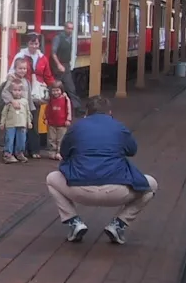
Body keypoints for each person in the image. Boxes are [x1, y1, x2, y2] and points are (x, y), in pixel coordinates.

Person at [44, 95, 158, 245]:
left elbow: (65, 153)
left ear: (86, 113)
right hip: (117, 190)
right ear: (109, 112)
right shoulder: (119, 127)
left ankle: (73, 221)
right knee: (151, 184)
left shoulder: (76, 127)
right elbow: (132, 150)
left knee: (51, 179)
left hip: (80, 189)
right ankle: (119, 223)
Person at [50, 22, 82, 116]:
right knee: (55, 87)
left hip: (66, 65)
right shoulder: (58, 38)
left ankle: (77, 108)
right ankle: (52, 107)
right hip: (58, 65)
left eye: (72, 29)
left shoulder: (71, 38)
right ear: (64, 28)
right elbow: (53, 53)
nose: (70, 30)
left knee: (71, 87)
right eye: (68, 28)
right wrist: (58, 64)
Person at [0, 80, 32, 164]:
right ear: (11, 91)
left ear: (22, 91)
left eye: (19, 90)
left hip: (22, 124)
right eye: (15, 90)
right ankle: (8, 154)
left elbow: (28, 112)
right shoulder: (9, 102)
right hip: (11, 124)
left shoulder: (25, 102)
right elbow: (4, 113)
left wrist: (29, 122)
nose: (17, 92)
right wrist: (2, 123)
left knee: (22, 139)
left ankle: (19, 153)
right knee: (9, 139)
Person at [44, 81, 73, 160]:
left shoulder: (65, 99)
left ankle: (60, 152)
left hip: (62, 123)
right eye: (53, 90)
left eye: (57, 90)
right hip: (52, 123)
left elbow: (68, 109)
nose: (55, 92)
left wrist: (68, 119)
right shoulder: (51, 99)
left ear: (61, 90)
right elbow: (47, 109)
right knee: (51, 138)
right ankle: (52, 152)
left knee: (61, 138)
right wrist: (46, 118)